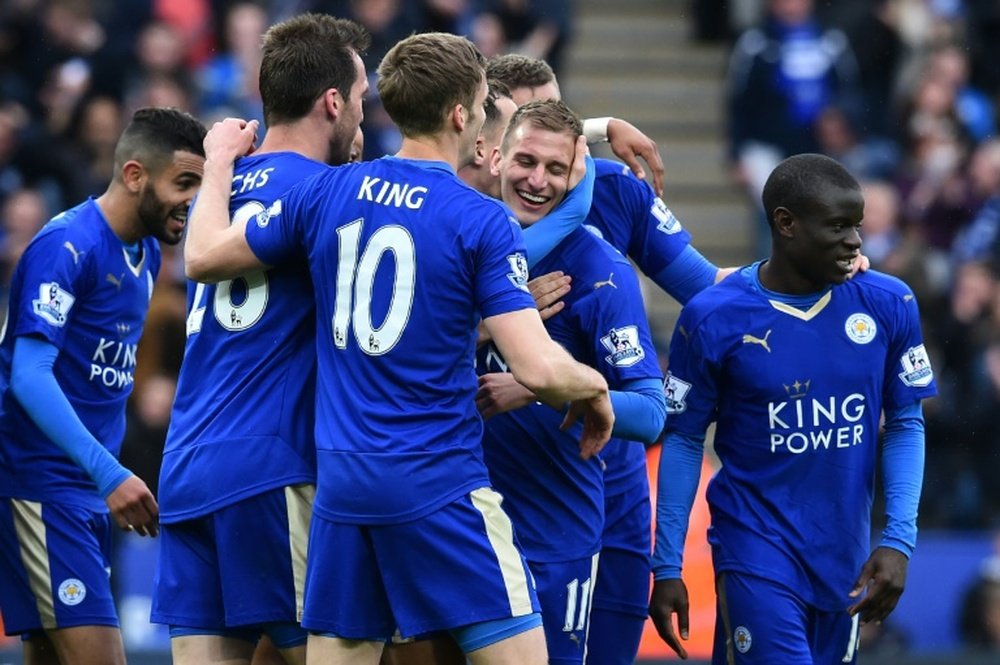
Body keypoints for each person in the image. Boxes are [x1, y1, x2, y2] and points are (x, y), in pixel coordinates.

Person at [183, 32, 614, 665]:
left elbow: (203, 255)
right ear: (462, 115)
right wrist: (596, 387)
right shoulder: (479, 218)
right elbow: (539, 368)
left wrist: (218, 162)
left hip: (343, 493)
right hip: (439, 486)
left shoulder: (326, 192)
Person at [487, 53, 727, 665]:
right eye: (525, 141)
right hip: (484, 476)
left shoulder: (613, 193)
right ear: (489, 137)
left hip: (599, 469)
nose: (542, 172)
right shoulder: (464, 206)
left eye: (566, 124)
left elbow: (708, 289)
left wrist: (809, 280)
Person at [649, 153, 936, 664]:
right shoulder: (713, 317)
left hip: (843, 558)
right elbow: (686, 437)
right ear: (786, 224)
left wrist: (898, 540)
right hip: (754, 549)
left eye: (858, 226)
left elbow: (906, 423)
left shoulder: (889, 302)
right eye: (838, 226)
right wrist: (667, 563)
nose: (855, 242)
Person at [150, 15, 370, 665]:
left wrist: (218, 162)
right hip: (270, 468)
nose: (361, 118)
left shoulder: (217, 192)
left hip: (187, 466)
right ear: (333, 103)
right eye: (360, 102)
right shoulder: (325, 193)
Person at [0, 106, 206, 665]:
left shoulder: (142, 255)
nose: (193, 199)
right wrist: (110, 472)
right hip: (42, 486)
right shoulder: (66, 246)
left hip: (86, 492)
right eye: (183, 182)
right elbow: (28, 375)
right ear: (135, 175)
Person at [475, 98, 666, 664]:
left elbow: (651, 411)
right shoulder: (458, 239)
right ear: (495, 158)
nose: (537, 181)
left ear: (575, 176)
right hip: (456, 524)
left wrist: (543, 385)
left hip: (552, 535)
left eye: (556, 170)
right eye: (525, 162)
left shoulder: (600, 272)